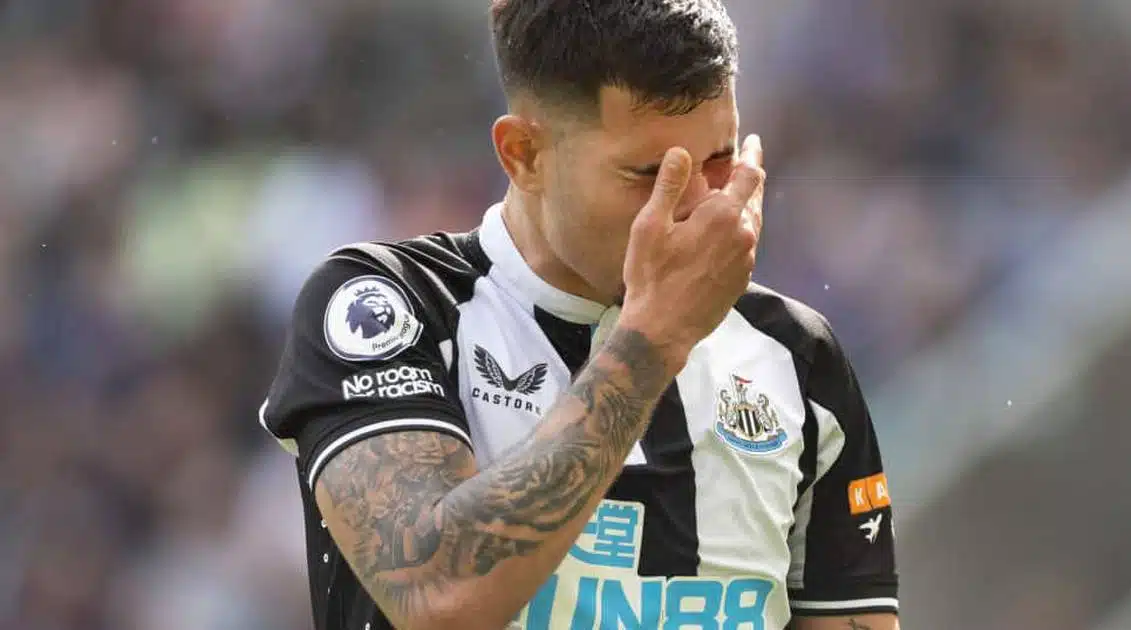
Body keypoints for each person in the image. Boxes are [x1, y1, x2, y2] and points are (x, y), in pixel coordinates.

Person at [259, 1, 899, 628]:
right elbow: (437, 598)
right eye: (652, 174)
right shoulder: (387, 306)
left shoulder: (794, 354)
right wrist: (655, 339)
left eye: (720, 159)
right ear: (524, 155)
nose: (700, 206)